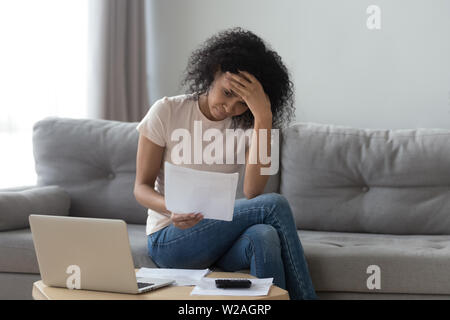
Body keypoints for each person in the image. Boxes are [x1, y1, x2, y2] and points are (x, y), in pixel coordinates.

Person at [134, 27, 317, 300]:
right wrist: (171, 208)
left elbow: (254, 191)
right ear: (215, 70)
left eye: (244, 103)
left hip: (222, 237)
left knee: (264, 235)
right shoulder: (167, 111)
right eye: (228, 92)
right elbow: (141, 187)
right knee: (275, 204)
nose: (231, 107)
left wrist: (263, 118)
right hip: (170, 236)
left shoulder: (255, 125)